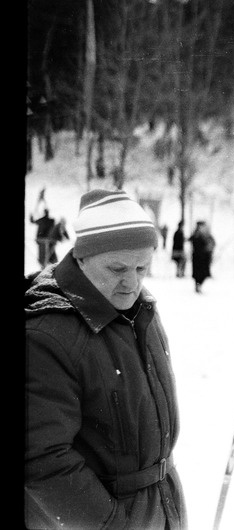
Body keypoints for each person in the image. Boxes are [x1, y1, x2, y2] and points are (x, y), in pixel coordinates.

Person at [24, 189, 187, 529]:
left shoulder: (140, 308)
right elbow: (43, 459)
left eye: (142, 266)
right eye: (117, 268)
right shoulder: (47, 334)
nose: (132, 282)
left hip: (158, 510)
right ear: (82, 259)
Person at [189, 220, 215, 293]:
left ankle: (199, 285)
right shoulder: (196, 234)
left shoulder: (206, 235)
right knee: (198, 274)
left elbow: (212, 242)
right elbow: (192, 241)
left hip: (204, 258)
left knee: (203, 273)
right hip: (198, 257)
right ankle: (197, 285)